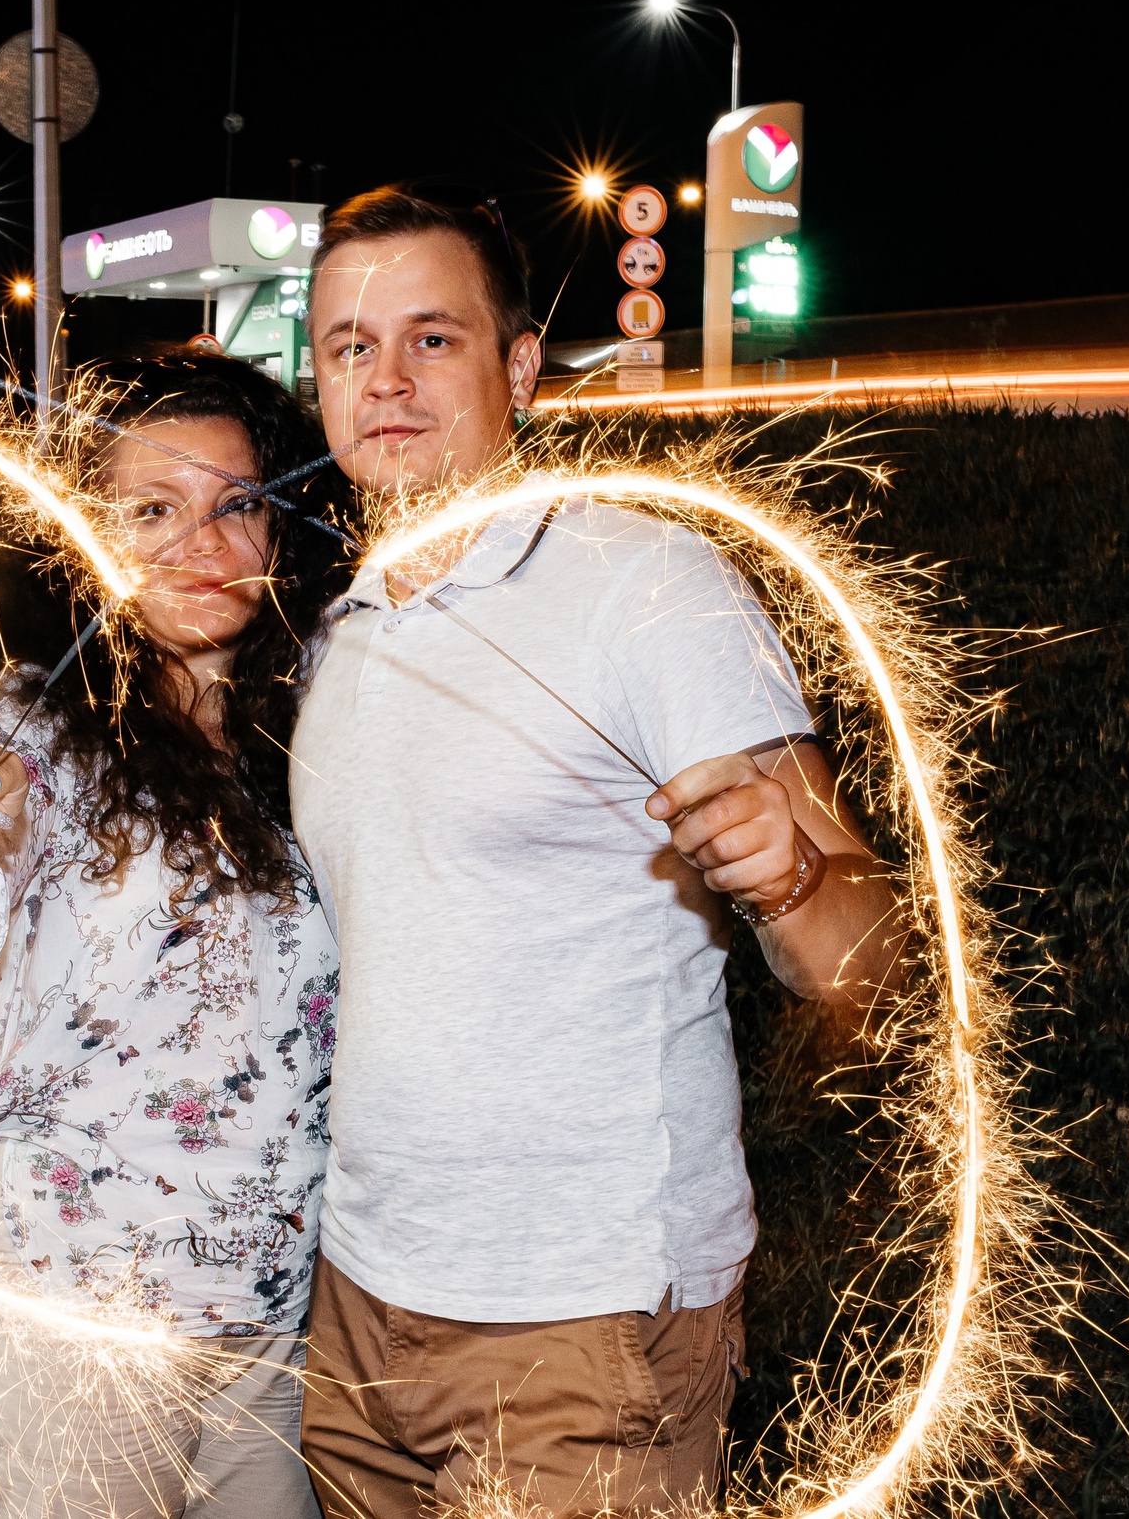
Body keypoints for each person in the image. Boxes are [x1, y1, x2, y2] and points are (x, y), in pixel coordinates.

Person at [288, 186, 909, 1519]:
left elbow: (874, 962)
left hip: (584, 1325)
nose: (385, 379)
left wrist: (790, 876)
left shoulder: (648, 583)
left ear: (519, 366)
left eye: (432, 339)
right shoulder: (338, 630)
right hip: (360, 1306)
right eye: (349, 345)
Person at [0, 351, 354, 1519]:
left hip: (268, 1328)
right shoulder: (33, 729)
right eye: (150, 510)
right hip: (70, 1308)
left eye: (238, 504)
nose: (203, 543)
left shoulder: (321, 728)